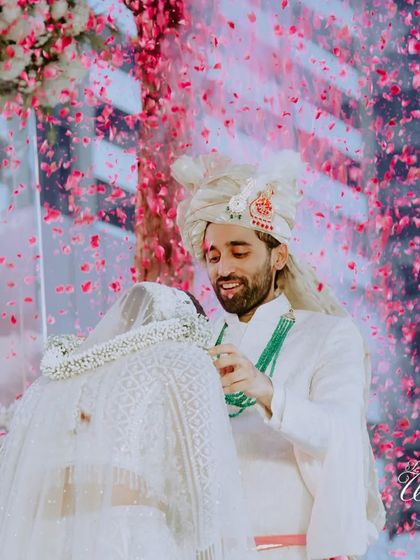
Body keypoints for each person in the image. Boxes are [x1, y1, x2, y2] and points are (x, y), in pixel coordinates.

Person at [171, 151, 387, 560]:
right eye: (213, 257)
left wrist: (267, 390)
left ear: (279, 256)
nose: (222, 269)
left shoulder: (329, 334)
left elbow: (340, 431)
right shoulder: (195, 347)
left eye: (239, 251)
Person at [0, 282, 257, 560]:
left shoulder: (51, 383)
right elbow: (205, 496)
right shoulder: (182, 358)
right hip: (128, 535)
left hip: (43, 540)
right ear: (193, 328)